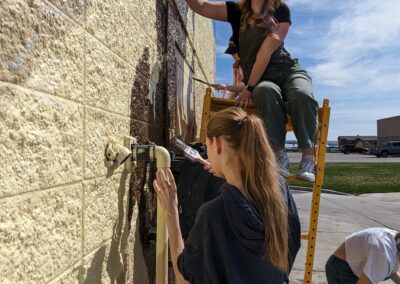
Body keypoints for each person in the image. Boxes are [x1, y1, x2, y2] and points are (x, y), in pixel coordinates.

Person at [154, 107, 300, 283]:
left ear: (217, 144)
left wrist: (170, 211)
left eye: (207, 146)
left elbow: (184, 279)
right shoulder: (281, 192)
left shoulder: (213, 216)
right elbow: (291, 248)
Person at [183, 0, 319, 181]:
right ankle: (278, 156)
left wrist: (249, 88)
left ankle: (309, 159)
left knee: (300, 95)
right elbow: (201, 7)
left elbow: (265, 53)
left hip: (287, 71)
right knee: (264, 92)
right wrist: (249, 87)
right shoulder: (235, 11)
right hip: (262, 80)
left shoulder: (280, 10)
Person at [325, 227, 400, 284]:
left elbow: (391, 271)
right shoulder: (384, 256)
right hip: (341, 269)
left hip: (354, 265)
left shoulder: (395, 240)